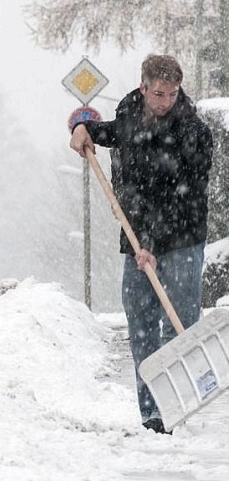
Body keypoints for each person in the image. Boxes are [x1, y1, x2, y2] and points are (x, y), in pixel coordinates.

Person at [69, 54, 213, 434]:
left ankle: (180, 405)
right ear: (143, 88)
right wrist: (85, 127)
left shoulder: (193, 131)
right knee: (142, 325)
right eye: (159, 94)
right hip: (135, 241)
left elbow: (178, 194)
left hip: (180, 239)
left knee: (179, 324)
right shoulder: (130, 114)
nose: (166, 101)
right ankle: (152, 414)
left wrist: (151, 241)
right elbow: (114, 133)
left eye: (172, 94)